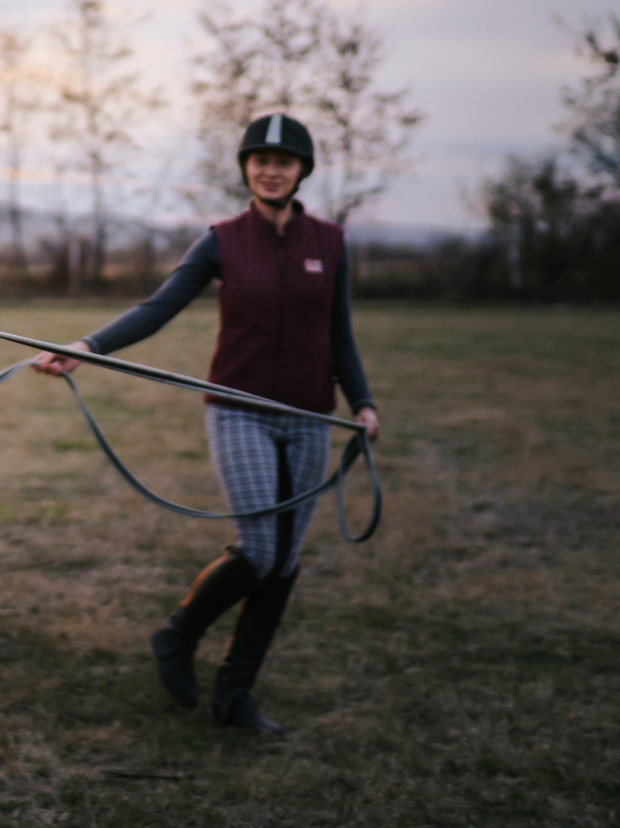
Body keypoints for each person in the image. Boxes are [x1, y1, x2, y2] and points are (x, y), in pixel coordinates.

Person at [35, 112, 380, 735]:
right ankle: (177, 635)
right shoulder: (223, 239)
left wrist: (363, 402)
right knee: (259, 549)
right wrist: (87, 347)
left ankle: (235, 693)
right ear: (246, 167)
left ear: (302, 170)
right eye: (259, 159)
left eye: (283, 161)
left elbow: (341, 336)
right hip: (237, 411)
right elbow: (160, 306)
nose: (271, 170)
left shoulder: (329, 244)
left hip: (308, 417)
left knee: (285, 560)